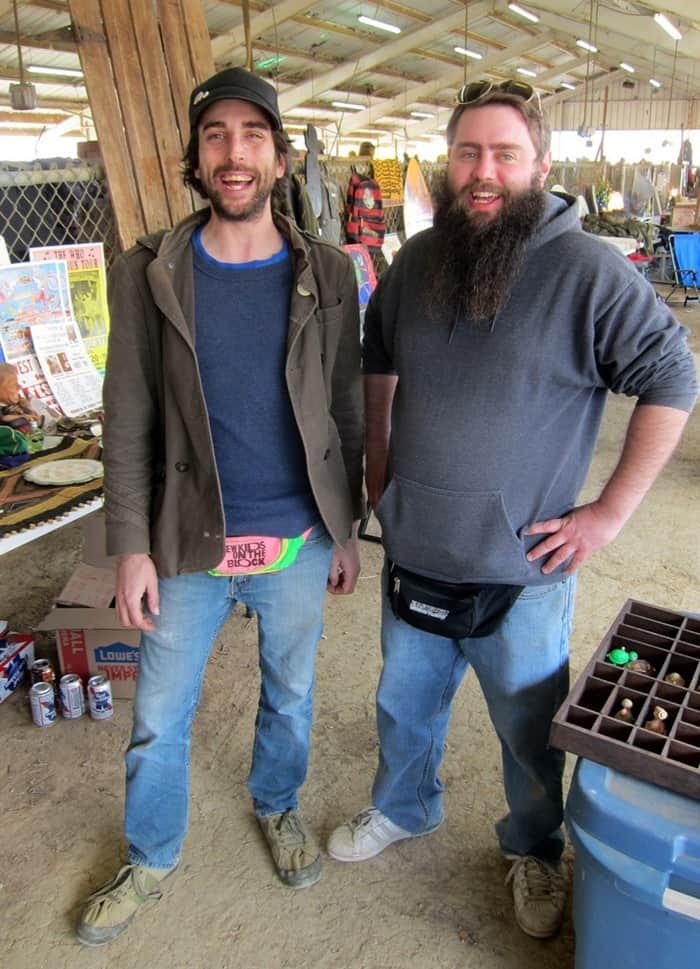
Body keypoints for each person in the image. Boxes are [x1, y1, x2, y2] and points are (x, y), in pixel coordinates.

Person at [327, 80, 697, 940]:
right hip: (416, 552)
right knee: (402, 708)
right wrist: (379, 471)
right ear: (446, 162)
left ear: (540, 165)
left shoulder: (588, 271)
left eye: (503, 153)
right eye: (467, 152)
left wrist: (606, 514)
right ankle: (404, 806)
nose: (482, 171)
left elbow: (673, 375)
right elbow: (378, 354)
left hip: (522, 571)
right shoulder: (418, 259)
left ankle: (534, 848)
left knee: (529, 730)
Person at [77, 68, 363, 946]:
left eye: (251, 135)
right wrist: (131, 545)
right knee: (159, 713)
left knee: (292, 692)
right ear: (195, 159)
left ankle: (277, 805)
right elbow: (125, 412)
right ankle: (152, 853)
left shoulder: (330, 273)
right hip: (188, 541)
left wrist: (346, 528)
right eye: (215, 136)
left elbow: (346, 408)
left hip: (300, 539)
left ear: (279, 158)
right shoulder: (151, 271)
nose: (233, 153)